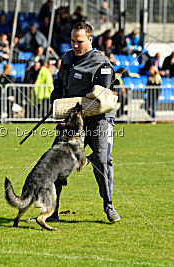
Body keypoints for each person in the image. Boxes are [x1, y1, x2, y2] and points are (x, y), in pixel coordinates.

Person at [47, 22, 120, 223]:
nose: (75, 45)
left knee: (102, 160)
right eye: (72, 41)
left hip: (98, 120)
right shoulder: (67, 58)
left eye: (79, 41)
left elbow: (101, 98)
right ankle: (52, 211)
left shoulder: (102, 64)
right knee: (55, 163)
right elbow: (59, 84)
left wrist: (75, 105)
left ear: (90, 39)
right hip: (72, 121)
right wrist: (55, 102)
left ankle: (109, 205)